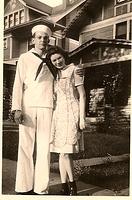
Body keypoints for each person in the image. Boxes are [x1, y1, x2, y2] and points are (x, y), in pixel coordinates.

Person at [12, 24, 84, 195]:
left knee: (44, 149)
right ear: (33, 39)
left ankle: (41, 188)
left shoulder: (53, 59)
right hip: (28, 106)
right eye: (39, 37)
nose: (42, 40)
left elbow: (65, 70)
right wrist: (16, 108)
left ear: (48, 40)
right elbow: (17, 84)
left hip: (48, 107)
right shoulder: (24, 58)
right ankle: (23, 186)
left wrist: (79, 70)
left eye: (46, 38)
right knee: (25, 147)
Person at [46, 46, 86, 195]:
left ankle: (72, 186)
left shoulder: (75, 70)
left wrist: (82, 117)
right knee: (61, 153)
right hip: (59, 115)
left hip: (72, 112)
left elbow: (82, 95)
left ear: (64, 56)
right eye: (54, 60)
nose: (57, 62)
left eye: (59, 58)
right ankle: (64, 187)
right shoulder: (56, 74)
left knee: (66, 153)